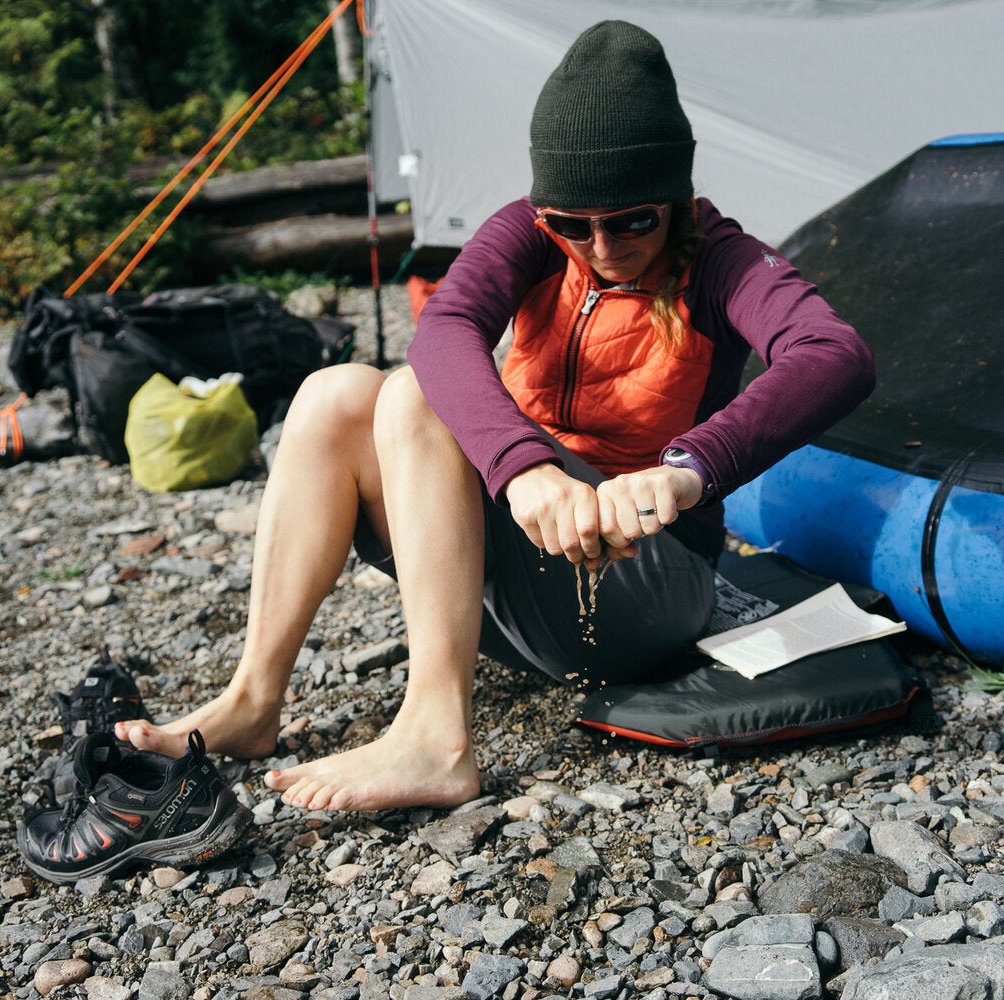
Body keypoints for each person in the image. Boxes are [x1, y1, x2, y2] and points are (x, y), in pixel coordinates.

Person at [116, 20, 874, 812]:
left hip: (645, 584)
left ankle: (437, 739)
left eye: (632, 221)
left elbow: (835, 354)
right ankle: (252, 701)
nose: (602, 247)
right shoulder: (531, 228)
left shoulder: (722, 260)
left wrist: (686, 473)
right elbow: (443, 330)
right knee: (334, 393)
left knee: (412, 395)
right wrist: (524, 469)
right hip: (533, 548)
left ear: (677, 198)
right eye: (573, 224)